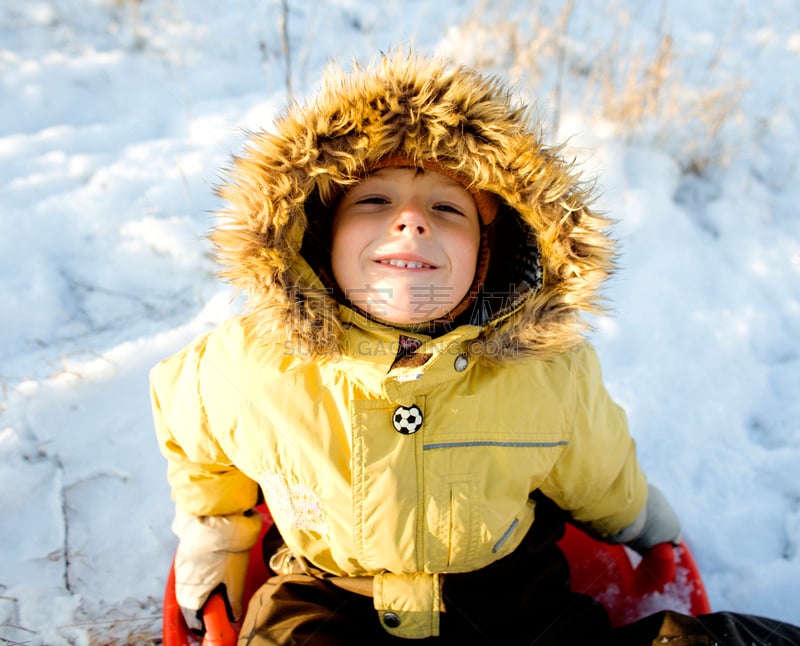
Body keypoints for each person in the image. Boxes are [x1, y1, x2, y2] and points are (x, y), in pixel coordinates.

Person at [151, 53, 800, 644]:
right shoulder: (250, 362)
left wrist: (637, 519)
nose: (411, 221)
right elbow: (197, 436)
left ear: (493, 257)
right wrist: (215, 532)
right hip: (327, 599)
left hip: (513, 602)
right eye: (374, 200)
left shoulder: (545, 369)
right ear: (316, 236)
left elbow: (596, 466)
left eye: (448, 209)